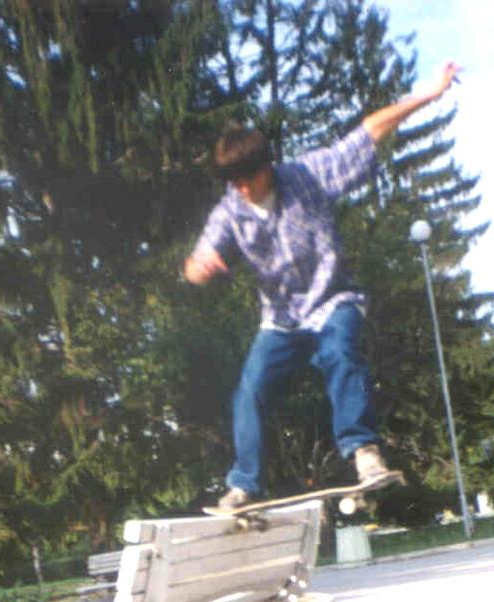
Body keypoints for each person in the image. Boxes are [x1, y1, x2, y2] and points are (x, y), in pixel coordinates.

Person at [184, 62, 462, 509]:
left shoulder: (308, 175)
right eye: (234, 184)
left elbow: (370, 131)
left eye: (248, 180)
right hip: (281, 319)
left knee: (339, 353)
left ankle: (364, 452)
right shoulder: (230, 210)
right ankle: (245, 484)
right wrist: (201, 266)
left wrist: (429, 94)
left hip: (334, 300)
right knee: (250, 387)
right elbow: (195, 263)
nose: (242, 190)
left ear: (267, 168)